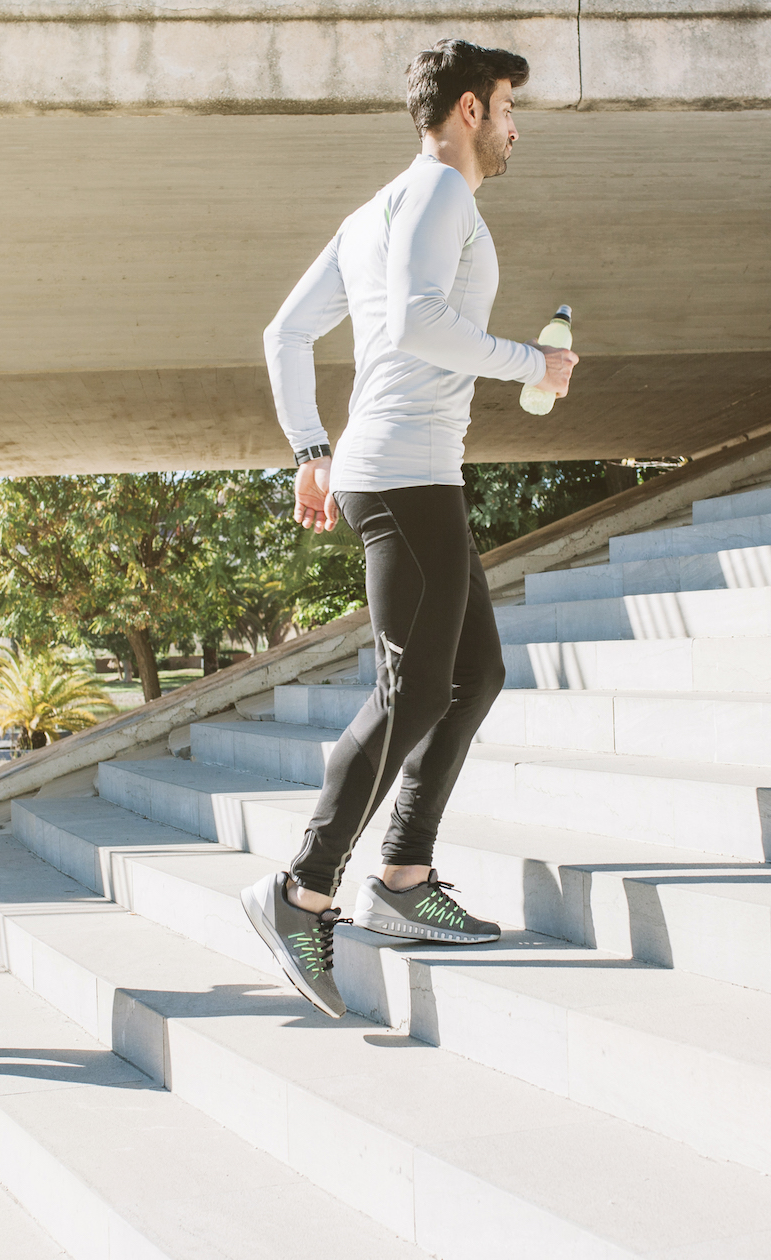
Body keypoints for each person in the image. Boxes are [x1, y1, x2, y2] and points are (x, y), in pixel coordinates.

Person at [240, 39, 578, 1017]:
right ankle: (300, 890)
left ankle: (399, 880)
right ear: (470, 108)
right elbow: (416, 326)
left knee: (472, 676)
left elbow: (286, 333)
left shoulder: (376, 210)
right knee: (412, 686)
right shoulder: (440, 194)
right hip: (405, 475)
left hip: (408, 472)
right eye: (509, 106)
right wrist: (534, 366)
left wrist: (312, 448)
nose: (517, 127)